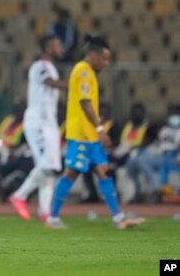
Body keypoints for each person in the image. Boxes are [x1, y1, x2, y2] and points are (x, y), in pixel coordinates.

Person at [46, 35, 144, 230]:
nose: (106, 63)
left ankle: (118, 218)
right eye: (104, 58)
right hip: (82, 133)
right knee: (71, 174)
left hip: (90, 135)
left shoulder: (88, 71)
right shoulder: (82, 71)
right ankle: (52, 218)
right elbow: (84, 103)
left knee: (103, 172)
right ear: (93, 55)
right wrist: (100, 128)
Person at [9, 34, 67, 221]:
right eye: (58, 45)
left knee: (51, 168)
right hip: (39, 123)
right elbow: (50, 82)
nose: (61, 48)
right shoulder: (40, 66)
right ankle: (19, 196)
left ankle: (45, 211)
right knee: (47, 165)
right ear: (48, 47)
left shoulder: (50, 67)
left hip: (49, 122)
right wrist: (75, 83)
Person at [127, 106, 180, 202]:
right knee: (133, 161)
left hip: (174, 158)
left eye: (176, 115)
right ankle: (139, 192)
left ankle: (156, 190)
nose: (174, 118)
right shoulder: (165, 129)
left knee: (144, 160)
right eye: (172, 115)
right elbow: (158, 143)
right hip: (161, 156)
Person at [80, 103, 120, 203]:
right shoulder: (94, 125)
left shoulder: (113, 126)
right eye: (101, 111)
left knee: (109, 167)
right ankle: (92, 194)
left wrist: (106, 144)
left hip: (109, 153)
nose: (103, 113)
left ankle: (111, 193)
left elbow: (116, 142)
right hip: (95, 153)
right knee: (86, 168)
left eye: (105, 111)